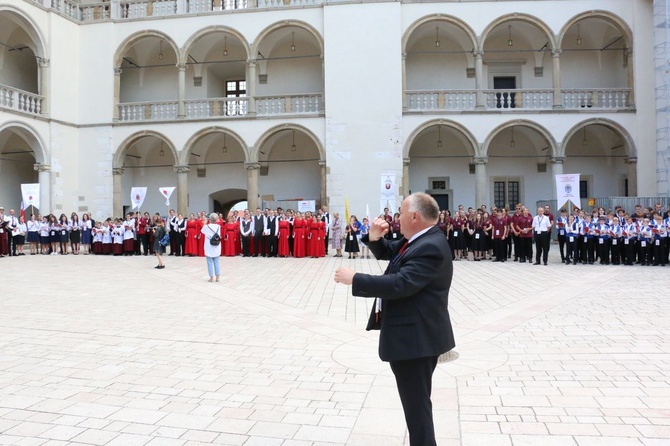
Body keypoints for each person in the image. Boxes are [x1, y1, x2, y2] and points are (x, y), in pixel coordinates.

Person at [333, 192, 455, 446]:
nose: (397, 218)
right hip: (415, 337)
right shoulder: (420, 239)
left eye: (400, 213)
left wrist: (355, 279)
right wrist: (375, 238)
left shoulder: (429, 246)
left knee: (417, 409)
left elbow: (402, 284)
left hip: (416, 341)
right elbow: (393, 252)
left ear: (414, 216)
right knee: (416, 406)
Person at [201, 213, 221, 282]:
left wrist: (205, 223)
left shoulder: (207, 226)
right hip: (216, 244)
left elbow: (202, 231)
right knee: (217, 262)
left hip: (209, 245)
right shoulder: (219, 226)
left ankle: (211, 277)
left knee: (209, 262)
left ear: (210, 219)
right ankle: (218, 277)